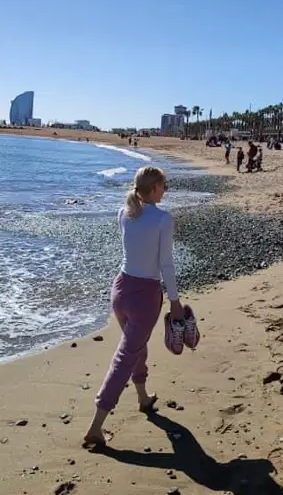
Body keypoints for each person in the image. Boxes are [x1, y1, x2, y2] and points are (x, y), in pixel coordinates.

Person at [84, 166, 184, 448]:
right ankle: (95, 427)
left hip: (121, 290)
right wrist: (175, 302)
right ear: (153, 189)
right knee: (125, 356)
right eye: (164, 185)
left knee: (135, 346)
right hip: (144, 295)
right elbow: (165, 264)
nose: (166, 189)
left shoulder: (124, 213)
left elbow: (134, 251)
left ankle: (142, 398)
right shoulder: (163, 219)